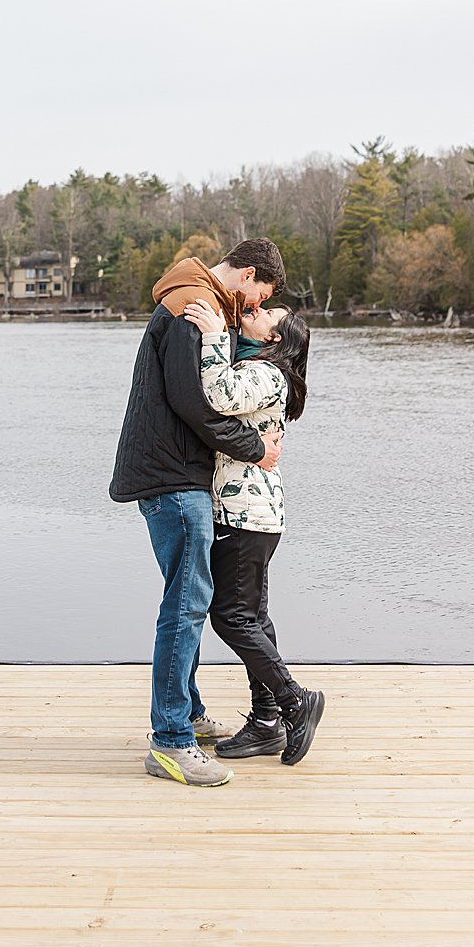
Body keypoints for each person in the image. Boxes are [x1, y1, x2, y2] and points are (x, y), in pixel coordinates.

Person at [109, 239, 287, 787]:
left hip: (173, 473)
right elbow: (196, 401)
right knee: (185, 608)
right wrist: (257, 449)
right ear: (249, 274)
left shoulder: (197, 300)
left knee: (187, 600)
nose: (255, 308)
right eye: (261, 296)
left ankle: (186, 712)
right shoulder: (192, 305)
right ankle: (170, 742)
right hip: (175, 476)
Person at [183, 295, 324, 766]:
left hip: (245, 514)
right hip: (256, 514)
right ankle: (266, 722)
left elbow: (218, 395)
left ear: (274, 338)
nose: (255, 311)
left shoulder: (266, 374)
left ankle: (293, 700)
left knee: (231, 616)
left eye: (265, 314)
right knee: (254, 616)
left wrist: (213, 337)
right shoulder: (264, 370)